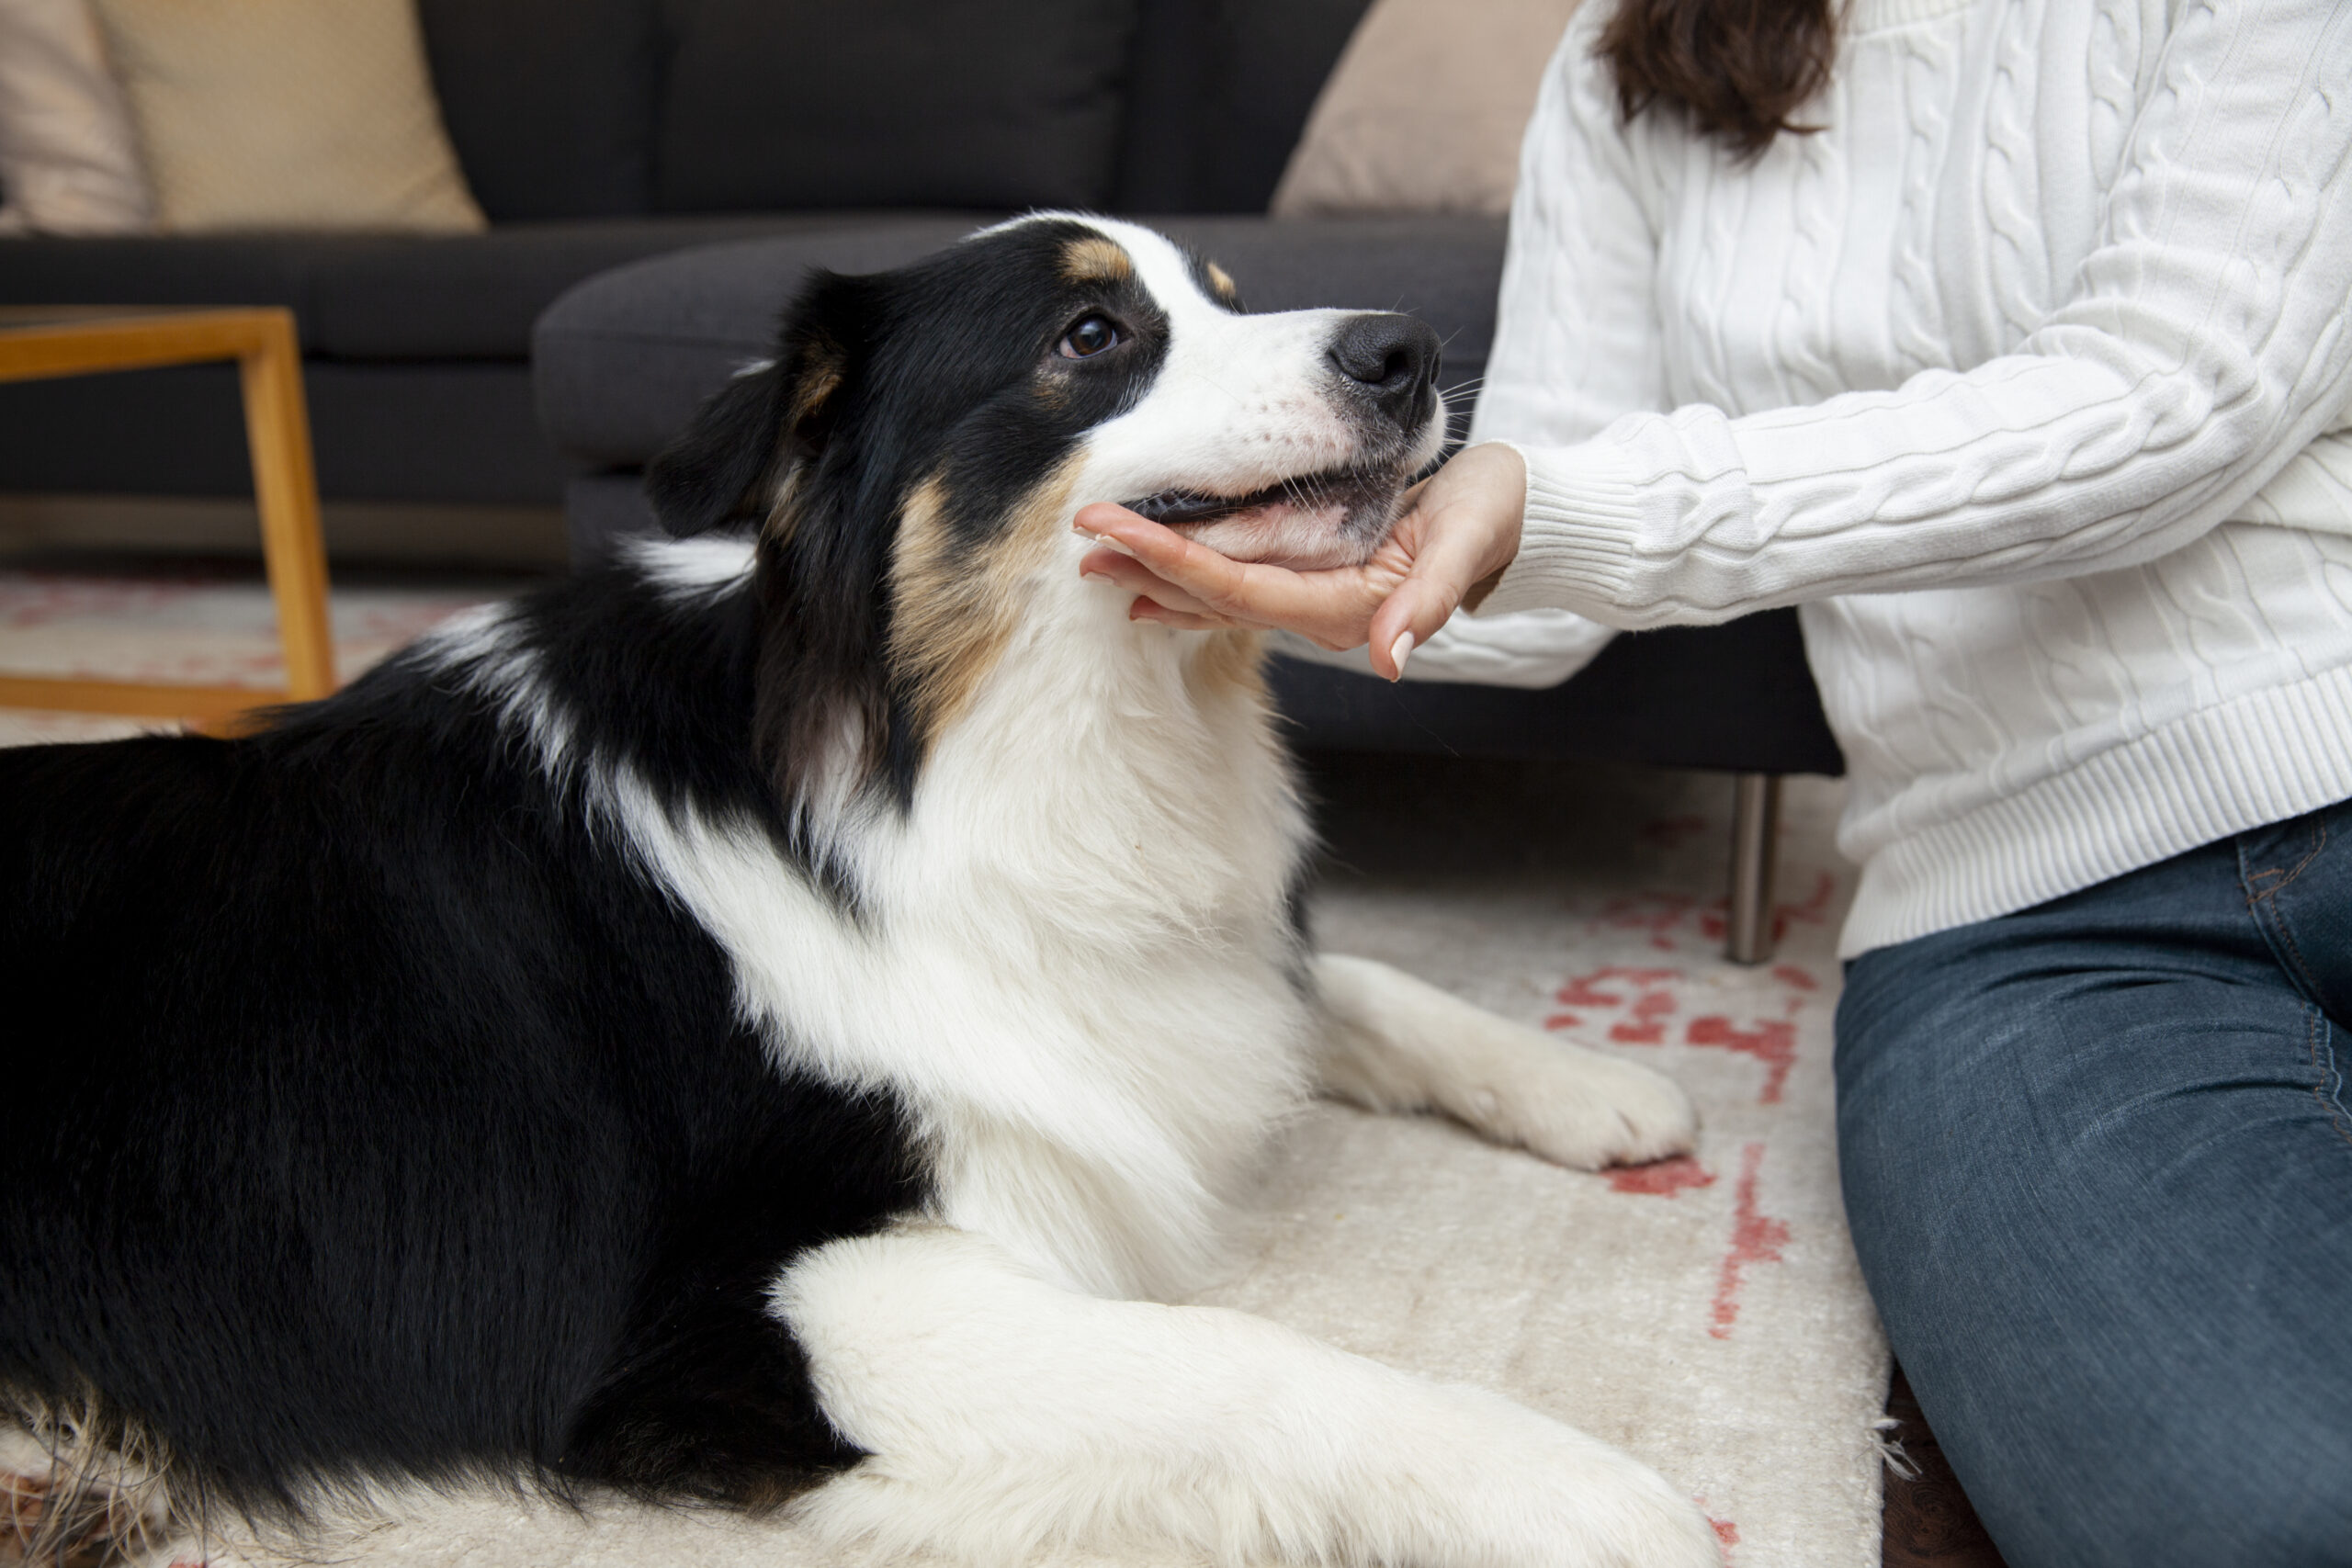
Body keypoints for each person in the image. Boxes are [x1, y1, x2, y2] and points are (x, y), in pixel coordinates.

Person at [1071, 1, 2352, 1563]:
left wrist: (1556, 509)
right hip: (2021, 912)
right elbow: (1528, 566)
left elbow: (2183, 396)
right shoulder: (1633, 56)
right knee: (2263, 1517)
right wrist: (1237, 578)